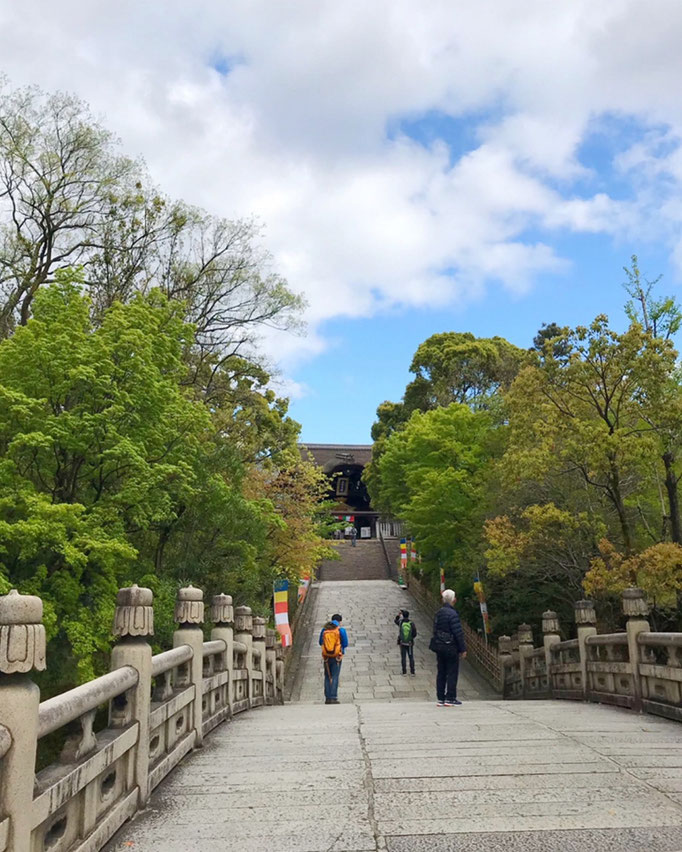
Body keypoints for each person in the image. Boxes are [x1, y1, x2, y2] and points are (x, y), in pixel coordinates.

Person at [429, 589, 467, 706]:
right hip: (451, 647)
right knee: (452, 672)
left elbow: (435, 630)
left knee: (441, 672)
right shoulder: (453, 614)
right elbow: (458, 633)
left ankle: (440, 697)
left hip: (439, 646)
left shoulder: (438, 613)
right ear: (454, 600)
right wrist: (463, 649)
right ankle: (450, 697)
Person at [319, 612, 348, 704]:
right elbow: (345, 643)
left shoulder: (325, 630)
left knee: (327, 676)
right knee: (335, 676)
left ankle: (327, 697)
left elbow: (320, 642)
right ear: (340, 621)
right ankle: (333, 697)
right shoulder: (341, 630)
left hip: (326, 657)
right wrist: (340, 649)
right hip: (337, 656)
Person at [394, 608, 417, 675]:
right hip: (409, 643)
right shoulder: (411, 623)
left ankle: (404, 672)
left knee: (403, 657)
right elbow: (415, 633)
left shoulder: (401, 622)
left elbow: (395, 621)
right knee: (411, 657)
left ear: (403, 615)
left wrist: (398, 615)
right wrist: (411, 638)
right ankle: (412, 672)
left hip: (402, 643)